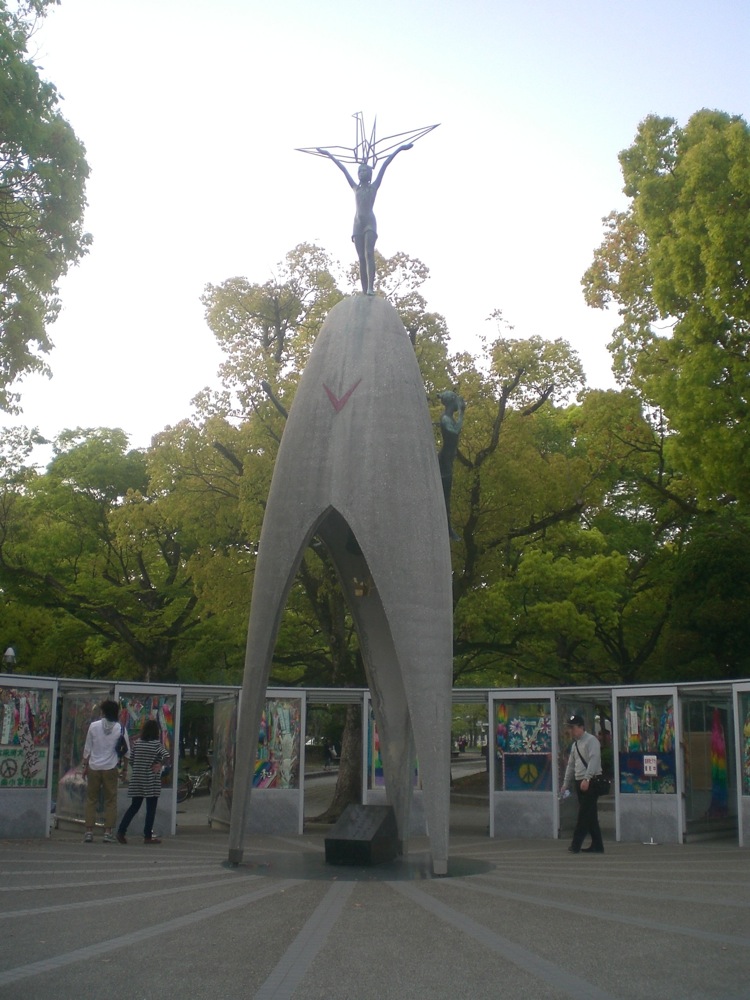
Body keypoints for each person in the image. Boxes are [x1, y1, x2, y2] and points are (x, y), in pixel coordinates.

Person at [315, 143, 413, 295]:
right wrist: (328, 154)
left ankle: (370, 288)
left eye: (365, 170)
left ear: (370, 173)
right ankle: (364, 289)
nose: (361, 172)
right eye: (360, 170)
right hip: (357, 225)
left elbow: (386, 163)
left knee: (368, 254)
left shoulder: (374, 187)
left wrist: (400, 149)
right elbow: (342, 169)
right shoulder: (355, 187)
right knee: (361, 258)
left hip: (369, 223)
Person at [116, 718, 170, 845]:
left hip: (137, 780)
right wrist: (159, 764)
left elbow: (132, 760)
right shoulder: (156, 744)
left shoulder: (138, 743)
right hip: (151, 780)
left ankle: (121, 831)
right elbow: (166, 755)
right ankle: (147, 836)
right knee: (151, 808)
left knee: (134, 806)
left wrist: (138, 768)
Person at [82, 699, 129, 844]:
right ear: (116, 712)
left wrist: (85, 766)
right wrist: (125, 770)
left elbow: (87, 748)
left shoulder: (93, 726)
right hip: (111, 767)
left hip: (94, 767)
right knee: (110, 801)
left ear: (103, 711)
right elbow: (127, 752)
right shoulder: (120, 728)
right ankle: (107, 833)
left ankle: (89, 831)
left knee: (91, 799)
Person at [561, 713, 604, 854]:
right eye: (570, 728)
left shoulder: (591, 741)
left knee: (583, 814)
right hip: (579, 781)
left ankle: (576, 845)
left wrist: (587, 778)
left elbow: (594, 760)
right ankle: (598, 845)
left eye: (573, 728)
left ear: (581, 727)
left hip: (591, 781)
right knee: (590, 815)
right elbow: (571, 765)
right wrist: (566, 783)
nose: (571, 731)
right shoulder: (575, 745)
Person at [437, 390, 467, 540]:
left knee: (444, 496)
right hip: (444, 463)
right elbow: (454, 432)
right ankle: (447, 528)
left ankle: (447, 527)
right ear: (451, 402)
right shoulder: (445, 419)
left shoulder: (447, 418)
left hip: (447, 460)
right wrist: (462, 412)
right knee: (445, 497)